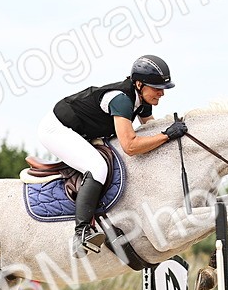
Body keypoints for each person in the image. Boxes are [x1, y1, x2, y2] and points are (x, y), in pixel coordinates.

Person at [38, 54, 189, 257]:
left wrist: (173, 134)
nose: (162, 93)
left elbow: (150, 127)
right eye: (157, 88)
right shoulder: (121, 100)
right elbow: (131, 145)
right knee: (97, 167)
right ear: (138, 84)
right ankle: (81, 232)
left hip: (83, 130)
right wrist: (166, 135)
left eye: (163, 88)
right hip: (57, 129)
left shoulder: (143, 99)